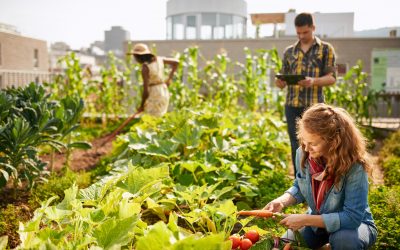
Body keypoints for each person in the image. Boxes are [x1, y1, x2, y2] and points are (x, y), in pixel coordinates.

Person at [263, 103, 377, 249]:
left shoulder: (354, 166)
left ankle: (333, 244)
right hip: (317, 225)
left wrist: (306, 219)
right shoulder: (303, 153)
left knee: (344, 240)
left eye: (313, 143)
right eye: (303, 140)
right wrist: (281, 201)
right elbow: (300, 186)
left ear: (334, 142)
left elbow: (352, 218)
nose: (305, 147)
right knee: (283, 244)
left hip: (353, 227)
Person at [276, 13, 336, 175]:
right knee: (295, 144)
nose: (301, 36)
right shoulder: (289, 52)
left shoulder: (325, 49)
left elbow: (332, 78)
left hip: (314, 107)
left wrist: (313, 81)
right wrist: (280, 82)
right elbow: (282, 77)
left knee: (318, 143)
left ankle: (319, 177)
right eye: (298, 33)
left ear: (313, 28)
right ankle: (300, 180)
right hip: (292, 105)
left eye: (305, 32)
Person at [128, 43, 178, 117]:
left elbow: (146, 91)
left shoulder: (145, 68)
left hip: (154, 94)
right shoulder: (159, 60)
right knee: (159, 118)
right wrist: (169, 79)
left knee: (152, 120)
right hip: (163, 90)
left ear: (139, 57)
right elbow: (176, 62)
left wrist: (141, 106)